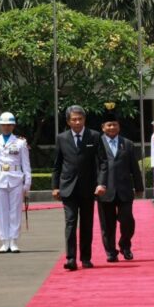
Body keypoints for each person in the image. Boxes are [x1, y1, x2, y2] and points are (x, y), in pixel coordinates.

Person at [52, 105, 108, 271]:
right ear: (68, 121)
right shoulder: (61, 138)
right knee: (70, 223)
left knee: (86, 224)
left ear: (84, 119)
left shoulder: (95, 136)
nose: (77, 122)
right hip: (68, 188)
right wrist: (55, 187)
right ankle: (70, 258)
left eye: (80, 119)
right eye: (73, 119)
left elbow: (103, 162)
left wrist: (101, 183)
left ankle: (85, 258)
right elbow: (57, 165)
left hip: (88, 188)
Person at [97, 104, 144, 262]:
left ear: (119, 126)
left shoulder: (128, 144)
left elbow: (134, 168)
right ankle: (111, 251)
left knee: (127, 221)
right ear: (103, 127)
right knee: (107, 225)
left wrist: (139, 187)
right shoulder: (97, 144)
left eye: (115, 124)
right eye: (109, 125)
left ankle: (125, 245)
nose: (112, 127)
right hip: (105, 191)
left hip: (124, 189)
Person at [0, 112, 31, 254]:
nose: (6, 127)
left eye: (9, 124)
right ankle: (4, 241)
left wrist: (27, 182)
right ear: (0, 125)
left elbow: (26, 163)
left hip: (16, 178)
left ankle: (14, 241)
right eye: (4, 124)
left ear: (13, 125)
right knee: (2, 212)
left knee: (15, 212)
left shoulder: (20, 142)